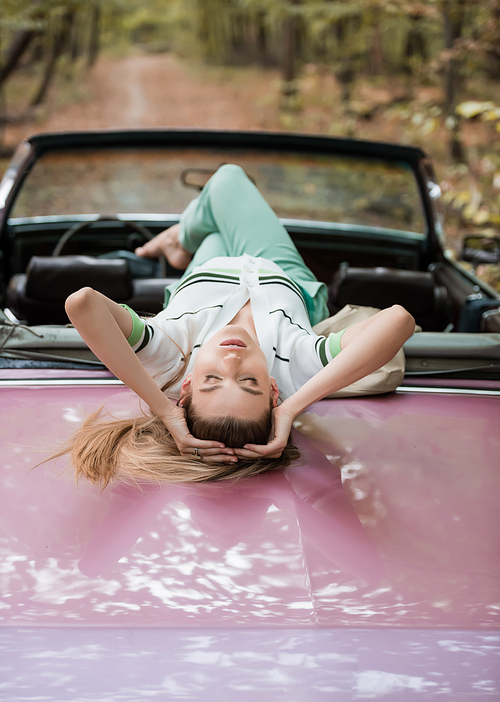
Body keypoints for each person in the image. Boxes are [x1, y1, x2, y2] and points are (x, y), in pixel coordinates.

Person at [60, 164, 415, 487]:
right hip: (283, 274)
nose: (231, 362)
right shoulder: (297, 368)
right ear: (275, 391)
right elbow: (398, 320)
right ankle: (180, 238)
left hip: (205, 272)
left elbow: (82, 303)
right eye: (250, 382)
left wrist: (164, 409)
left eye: (211, 380)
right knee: (227, 179)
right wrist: (292, 408)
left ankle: (180, 240)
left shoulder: (169, 359)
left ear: (185, 388)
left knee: (216, 218)